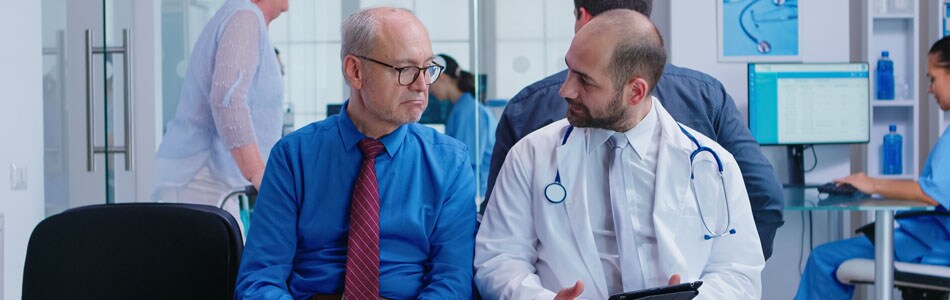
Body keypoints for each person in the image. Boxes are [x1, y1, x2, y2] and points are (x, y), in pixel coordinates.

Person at [474, 10, 764, 300]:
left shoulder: (712, 164)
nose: (565, 90)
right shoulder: (530, 155)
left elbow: (738, 272)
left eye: (585, 81)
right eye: (569, 71)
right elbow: (498, 260)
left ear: (635, 92)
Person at [235, 7, 477, 299]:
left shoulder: (450, 163)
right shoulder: (294, 156)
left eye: (427, 68)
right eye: (405, 70)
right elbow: (260, 279)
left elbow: (451, 283)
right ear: (355, 71)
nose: (421, 85)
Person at [794, 37, 950, 300]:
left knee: (823, 260)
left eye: (933, 79)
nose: (929, 89)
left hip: (932, 246)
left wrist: (871, 183)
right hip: (929, 237)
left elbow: (934, 193)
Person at [152, 0, 288, 230]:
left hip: (211, 180)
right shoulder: (245, 18)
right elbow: (227, 98)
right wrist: (258, 173)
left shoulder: (246, 17)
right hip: (201, 177)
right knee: (222, 263)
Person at [430, 53, 497, 198]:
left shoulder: (469, 112)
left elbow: (467, 164)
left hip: (474, 194)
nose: (428, 89)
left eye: (430, 81)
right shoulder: (463, 109)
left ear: (442, 78)